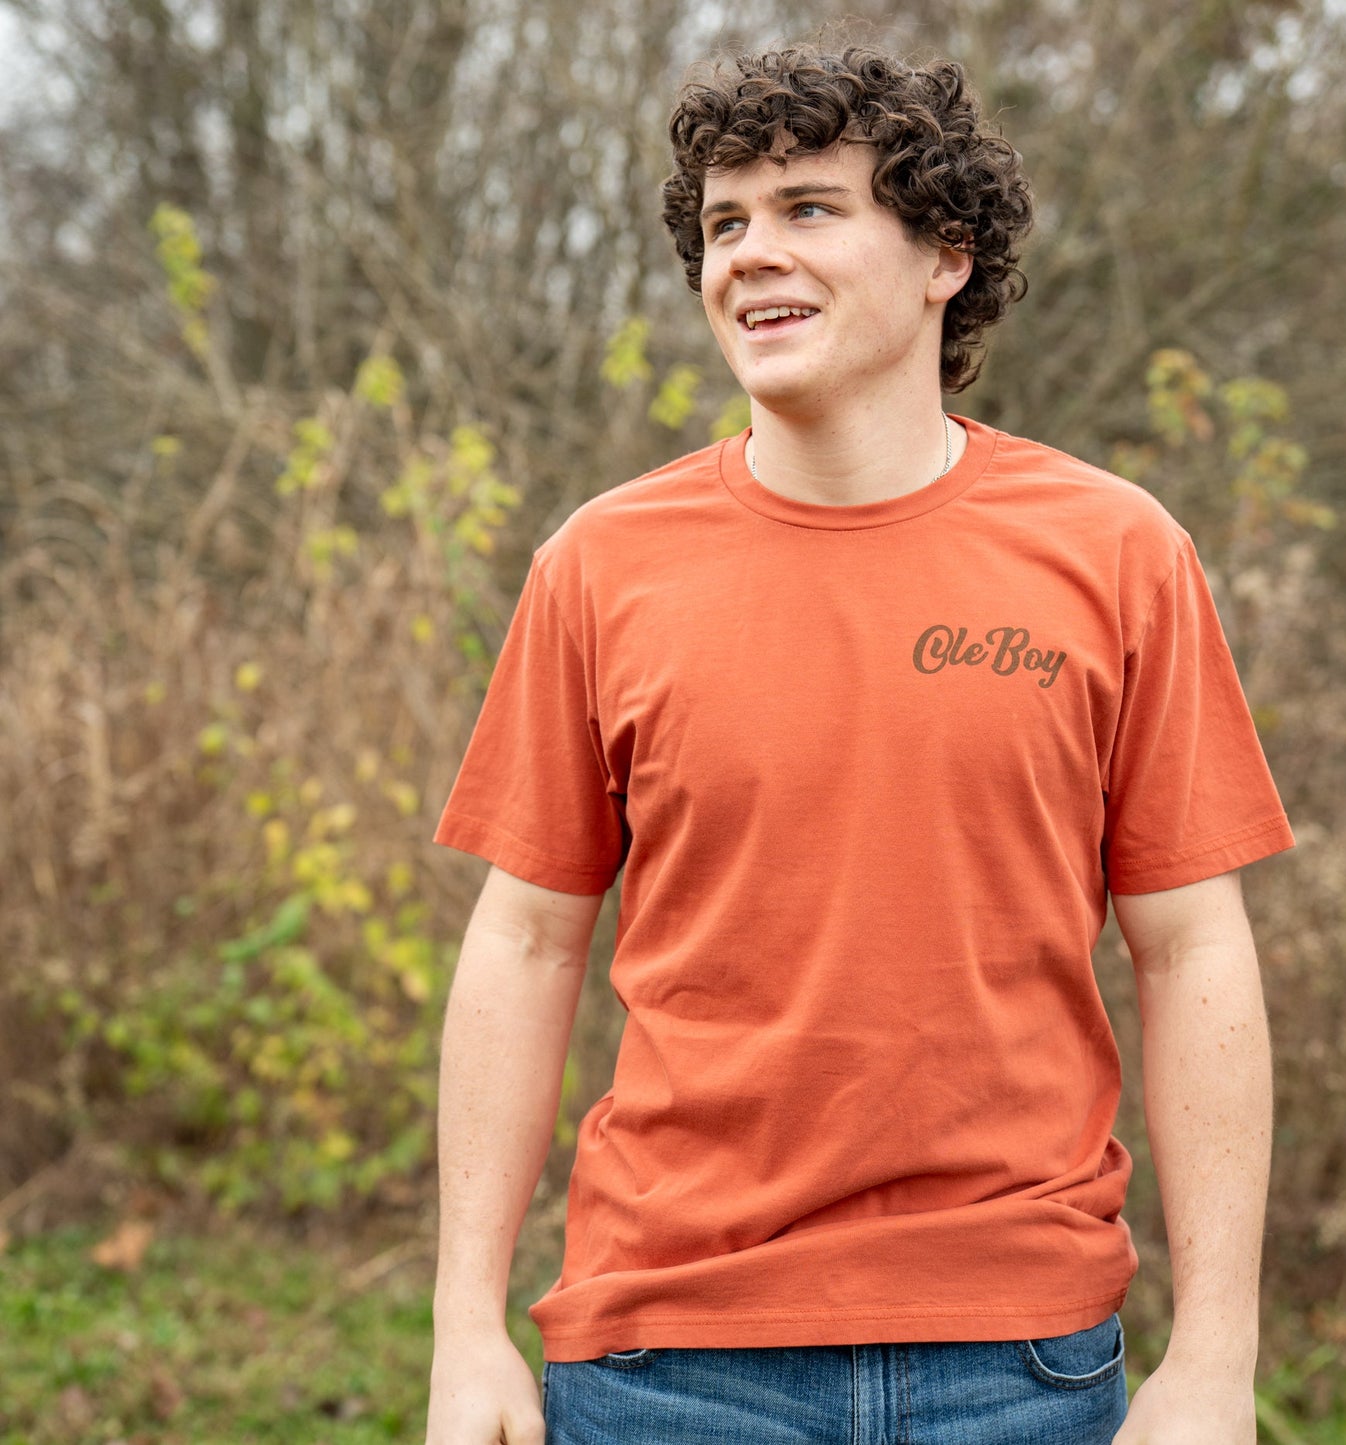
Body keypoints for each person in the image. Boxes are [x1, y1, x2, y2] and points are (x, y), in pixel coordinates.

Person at [424, 40, 1293, 1445]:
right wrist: (465, 1329)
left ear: (945, 253)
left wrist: (1213, 1359)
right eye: (722, 224)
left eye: (807, 210)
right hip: (669, 1359)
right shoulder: (600, 564)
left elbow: (1193, 947)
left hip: (1020, 1360)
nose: (748, 255)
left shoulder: (1117, 552)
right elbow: (524, 942)